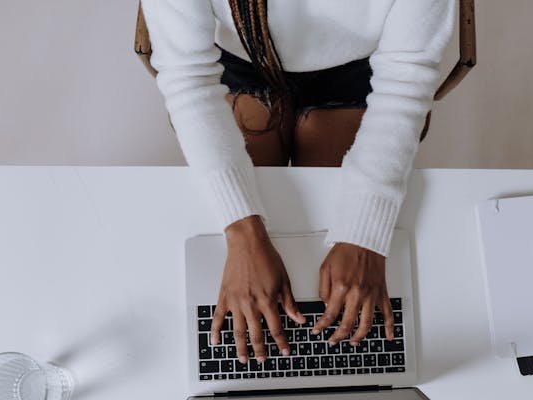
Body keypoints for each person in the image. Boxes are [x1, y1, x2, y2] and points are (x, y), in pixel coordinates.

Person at [141, 0, 455, 365]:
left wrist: (363, 237)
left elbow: (406, 76)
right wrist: (242, 232)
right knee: (245, 296)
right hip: (243, 60)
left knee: (331, 295)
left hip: (359, 67)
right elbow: (187, 76)